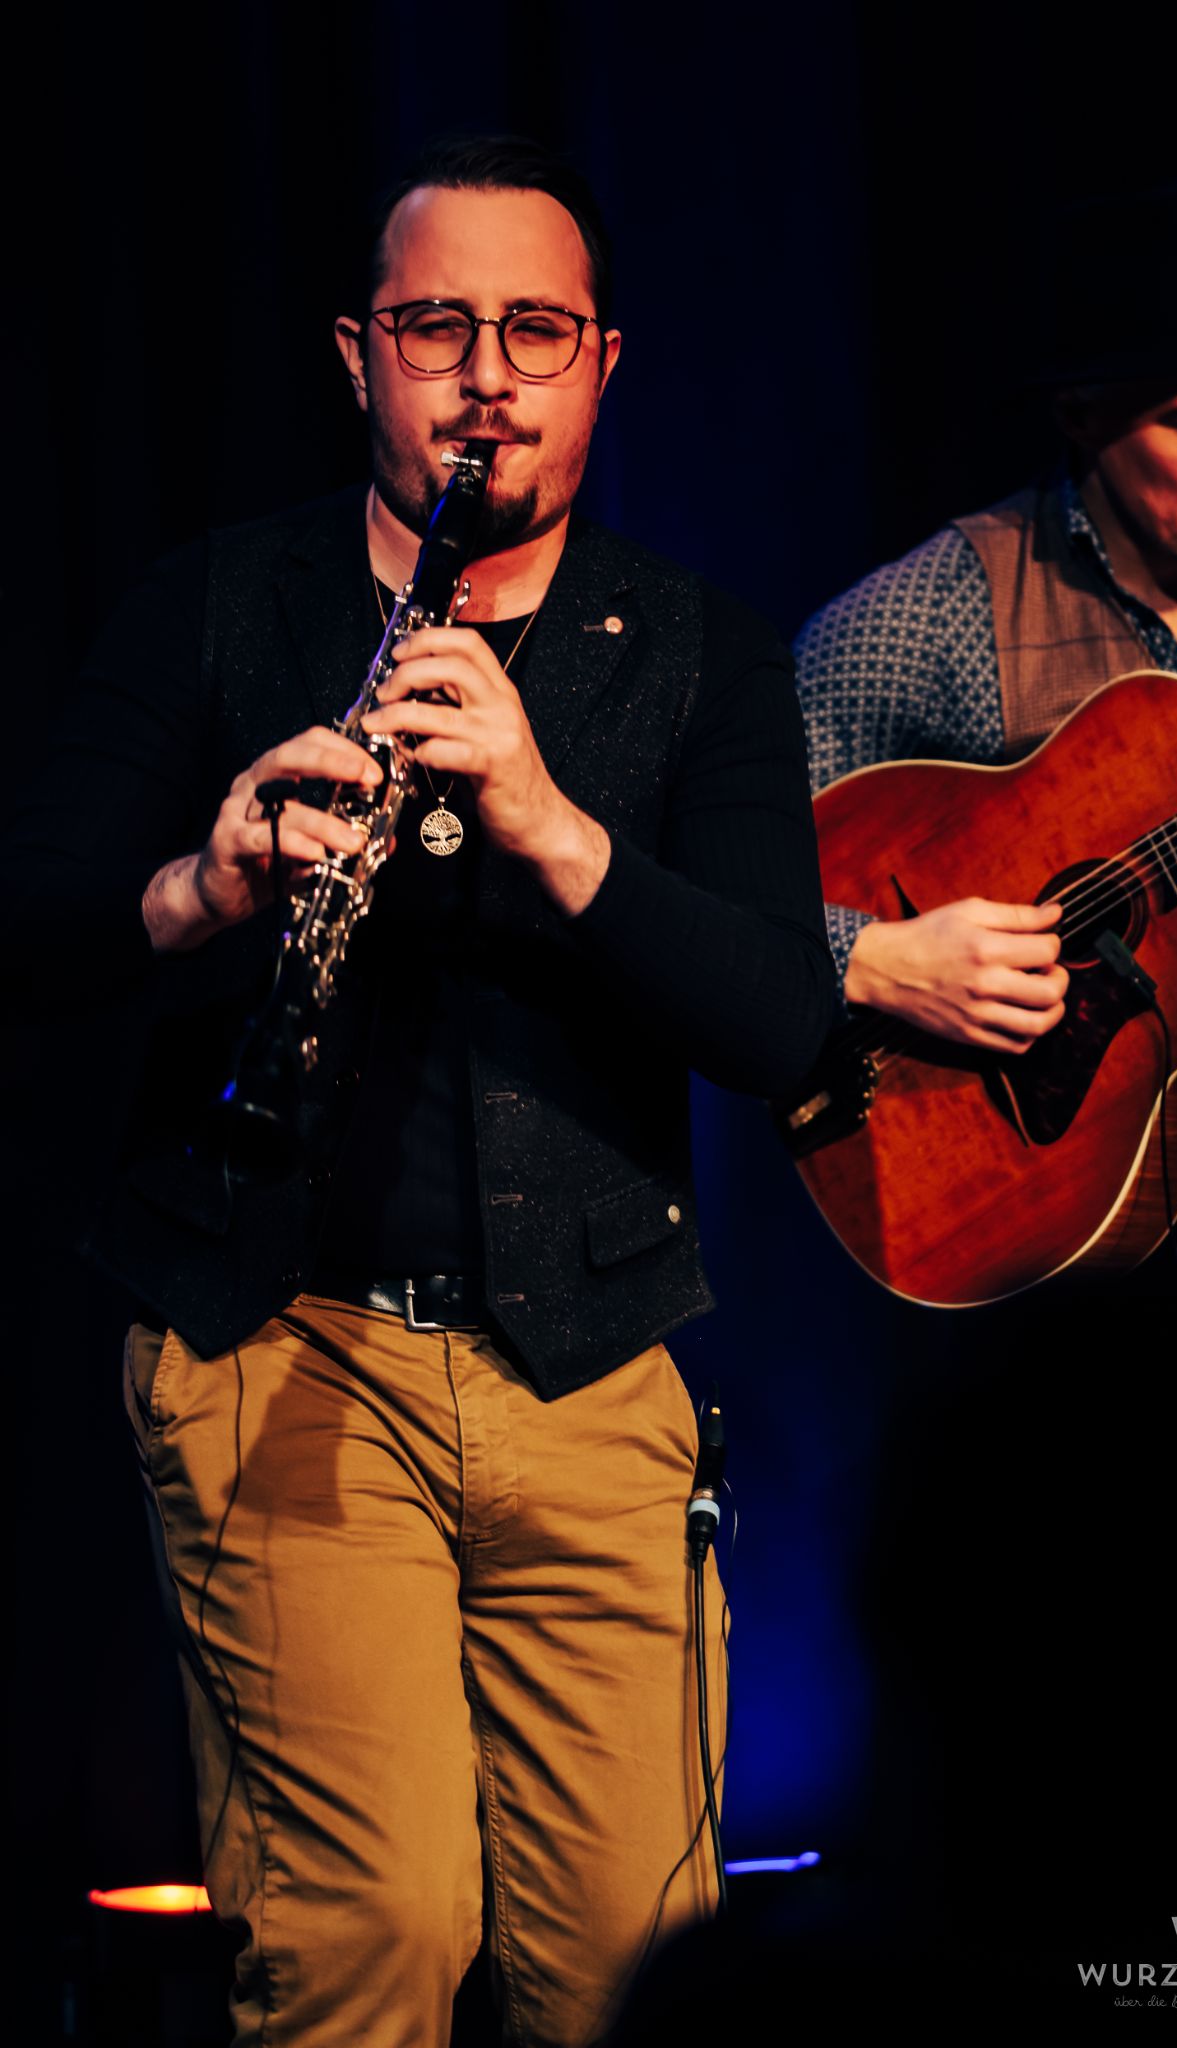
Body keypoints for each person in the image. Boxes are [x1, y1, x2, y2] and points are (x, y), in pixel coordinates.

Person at [16, 138, 834, 2047]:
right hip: (278, 1340)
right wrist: (203, 884)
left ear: (603, 364)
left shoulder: (701, 651)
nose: (486, 380)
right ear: (355, 354)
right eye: (435, 328)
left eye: (535, 331)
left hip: (591, 1361)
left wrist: (554, 826)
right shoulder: (219, 604)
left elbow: (784, 1023)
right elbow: (29, 925)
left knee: (629, 1971)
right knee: (370, 1935)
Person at [796, 176, 1177, 1050]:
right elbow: (725, 886)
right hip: (1023, 1119)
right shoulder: (932, 615)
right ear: (1079, 416)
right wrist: (870, 957)